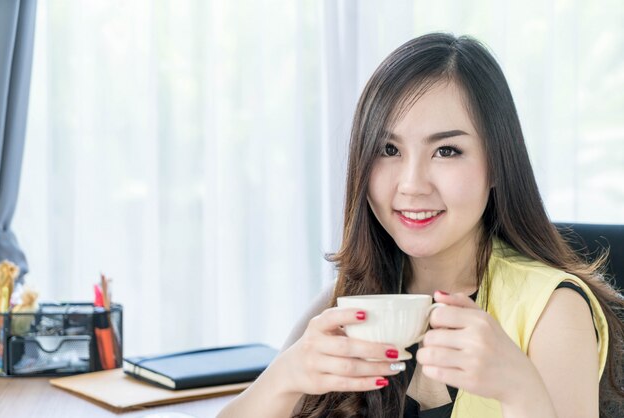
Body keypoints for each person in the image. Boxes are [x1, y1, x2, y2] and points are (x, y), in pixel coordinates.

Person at [218, 33, 624, 418]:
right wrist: (285, 379)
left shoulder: (553, 311)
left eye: (447, 150)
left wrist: (520, 390)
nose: (411, 185)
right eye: (388, 149)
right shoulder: (348, 299)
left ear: (498, 165)